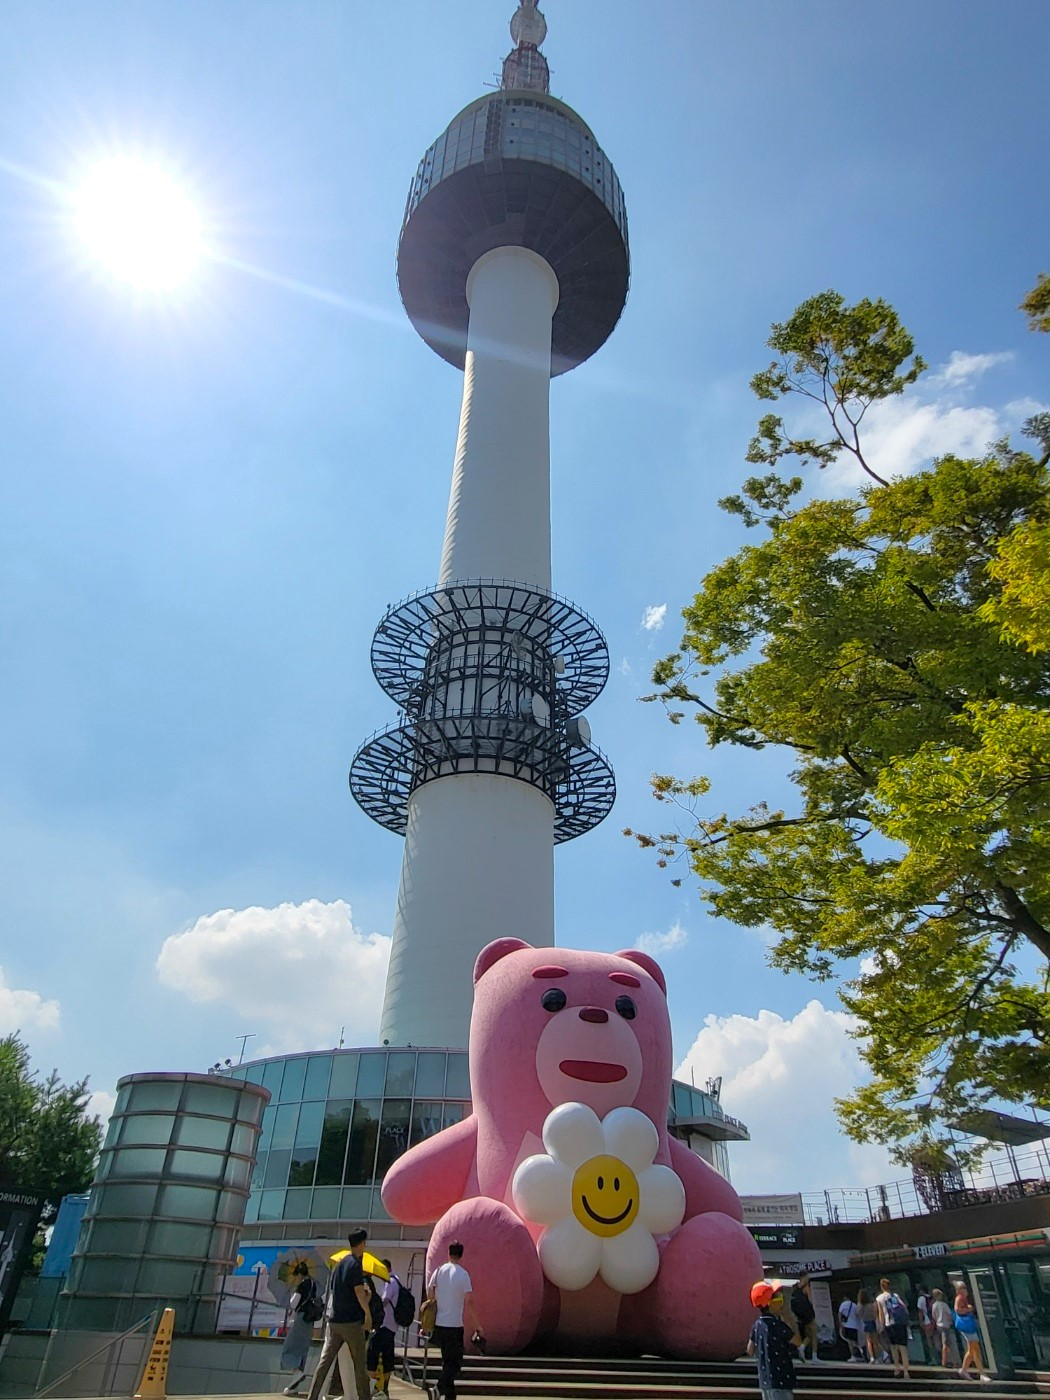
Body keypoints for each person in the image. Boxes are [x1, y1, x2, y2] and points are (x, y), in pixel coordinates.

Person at [304, 1228, 371, 1400]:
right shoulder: (355, 1264)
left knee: (325, 1362)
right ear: (362, 1243)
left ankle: (313, 1396)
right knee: (360, 1365)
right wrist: (367, 1312)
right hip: (351, 1322)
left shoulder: (339, 1264)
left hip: (334, 1321)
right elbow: (358, 1292)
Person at [427, 1240, 482, 1400]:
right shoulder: (463, 1274)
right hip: (454, 1325)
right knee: (455, 1363)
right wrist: (477, 1324)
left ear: (448, 1253)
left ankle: (450, 1396)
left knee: (447, 1361)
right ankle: (438, 1388)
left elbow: (430, 1295)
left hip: (439, 1323)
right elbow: (469, 1301)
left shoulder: (438, 1271)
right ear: (461, 1254)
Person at [748, 1280, 796, 1400]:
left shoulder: (756, 1325)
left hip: (765, 1380)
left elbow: (750, 1349)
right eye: (778, 1298)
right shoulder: (778, 1325)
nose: (781, 1302)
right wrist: (789, 1318)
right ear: (770, 1303)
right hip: (782, 1379)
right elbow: (797, 1341)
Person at [281, 1263, 320, 1396]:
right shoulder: (313, 1284)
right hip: (310, 1320)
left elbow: (293, 1303)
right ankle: (294, 1386)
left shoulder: (302, 1285)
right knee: (302, 1349)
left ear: (299, 1274)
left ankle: (297, 1372)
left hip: (301, 1318)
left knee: (290, 1347)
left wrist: (292, 1294)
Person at [366, 1259, 398, 1397]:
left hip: (384, 1324)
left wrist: (373, 1307)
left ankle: (371, 1387)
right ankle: (385, 1388)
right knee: (387, 1356)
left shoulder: (390, 1281)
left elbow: (384, 1300)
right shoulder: (397, 1280)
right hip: (392, 1325)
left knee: (372, 1353)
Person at [954, 1282, 990, 1382]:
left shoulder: (963, 1298)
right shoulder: (959, 1298)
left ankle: (964, 1370)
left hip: (969, 1326)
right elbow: (957, 1310)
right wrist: (968, 1309)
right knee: (975, 1349)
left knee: (972, 1350)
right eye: (962, 1288)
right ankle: (982, 1373)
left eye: (964, 1288)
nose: (965, 1290)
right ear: (958, 1290)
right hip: (966, 1326)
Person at [875, 1276, 910, 1380]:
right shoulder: (895, 1295)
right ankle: (906, 1372)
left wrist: (881, 1327)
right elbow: (904, 1308)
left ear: (881, 1287)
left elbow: (881, 1314)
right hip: (901, 1323)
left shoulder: (879, 1298)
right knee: (903, 1348)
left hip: (889, 1324)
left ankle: (897, 1368)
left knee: (893, 1347)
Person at [789, 1274, 817, 1363]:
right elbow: (811, 1300)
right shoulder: (806, 1287)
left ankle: (802, 1347)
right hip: (808, 1312)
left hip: (800, 1315)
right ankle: (814, 1356)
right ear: (804, 1277)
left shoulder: (795, 1287)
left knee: (809, 1334)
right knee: (814, 1333)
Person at [931, 1287, 955, 1367]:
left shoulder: (934, 1305)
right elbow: (949, 1314)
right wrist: (951, 1321)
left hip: (938, 1325)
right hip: (945, 1325)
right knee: (946, 1343)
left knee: (942, 1343)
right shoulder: (944, 1305)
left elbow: (933, 1316)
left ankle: (947, 1359)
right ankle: (945, 1361)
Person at [837, 1292, 863, 1361]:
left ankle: (853, 1356)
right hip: (854, 1326)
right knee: (855, 1341)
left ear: (845, 1298)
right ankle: (861, 1353)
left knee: (850, 1342)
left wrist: (840, 1324)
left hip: (847, 1325)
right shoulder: (854, 1305)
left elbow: (839, 1314)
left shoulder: (843, 1304)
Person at [855, 1288, 879, 1362]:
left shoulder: (860, 1304)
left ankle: (871, 1357)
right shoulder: (871, 1304)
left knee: (868, 1341)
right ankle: (877, 1357)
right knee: (875, 1341)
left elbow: (858, 1314)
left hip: (864, 1322)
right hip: (872, 1321)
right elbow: (874, 1314)